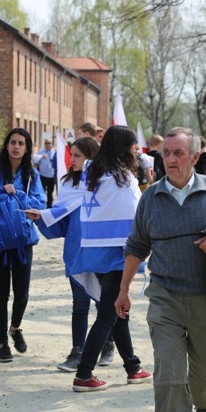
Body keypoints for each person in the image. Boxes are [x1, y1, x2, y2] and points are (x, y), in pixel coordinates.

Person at [116, 127, 206, 412]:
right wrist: (123, 291)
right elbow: (136, 246)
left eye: (178, 153)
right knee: (170, 375)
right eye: (166, 153)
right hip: (166, 297)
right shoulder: (151, 198)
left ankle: (203, 407)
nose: (170, 159)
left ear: (194, 157)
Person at [71, 125, 152, 392]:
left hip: (95, 253)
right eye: (133, 147)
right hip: (118, 255)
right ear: (123, 148)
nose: (136, 152)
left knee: (118, 312)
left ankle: (133, 367)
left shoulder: (94, 172)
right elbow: (139, 217)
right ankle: (84, 374)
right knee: (108, 314)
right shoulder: (123, 179)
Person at [25, 137, 116, 372]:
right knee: (79, 304)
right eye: (70, 154)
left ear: (91, 156)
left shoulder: (107, 183)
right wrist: (43, 217)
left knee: (102, 303)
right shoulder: (68, 184)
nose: (71, 160)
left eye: (76, 155)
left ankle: (108, 343)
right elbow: (61, 219)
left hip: (100, 252)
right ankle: (78, 351)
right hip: (76, 251)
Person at [0, 128, 46, 362]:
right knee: (2, 292)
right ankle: (3, 342)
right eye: (12, 142)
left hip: (23, 239)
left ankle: (15, 328)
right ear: (6, 145)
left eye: (21, 143)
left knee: (22, 293)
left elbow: (40, 202)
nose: (16, 146)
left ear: (27, 148)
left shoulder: (31, 174)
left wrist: (20, 196)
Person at [34, 138, 57, 208]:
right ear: (44, 144)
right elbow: (35, 162)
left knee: (50, 192)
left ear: (51, 144)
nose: (48, 145)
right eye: (46, 143)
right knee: (42, 191)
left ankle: (49, 206)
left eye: (49, 143)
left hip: (51, 176)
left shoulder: (54, 152)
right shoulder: (40, 152)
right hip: (43, 175)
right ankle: (42, 205)